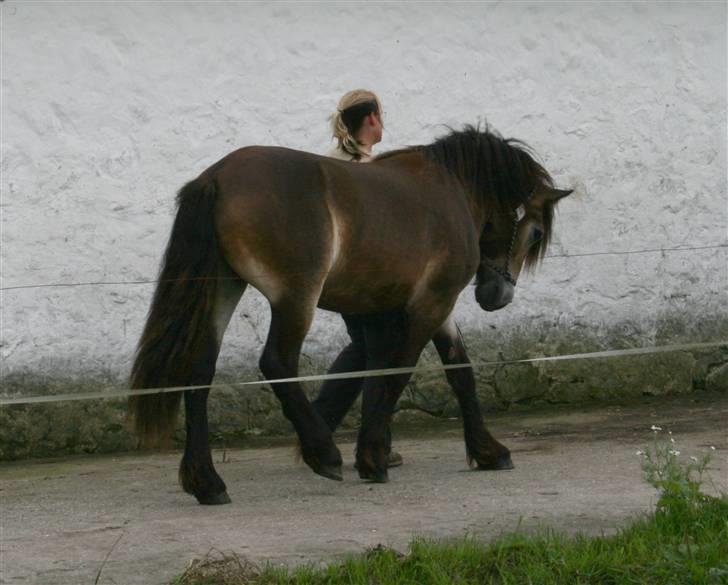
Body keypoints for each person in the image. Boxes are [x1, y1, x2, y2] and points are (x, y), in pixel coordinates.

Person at [312, 89, 403, 469]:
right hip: (366, 275)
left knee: (364, 349)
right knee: (381, 350)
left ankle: (318, 427)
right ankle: (372, 444)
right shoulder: (367, 168)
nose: (383, 122)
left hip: (348, 275)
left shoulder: (334, 162)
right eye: (381, 115)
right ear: (370, 119)